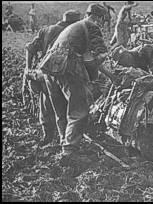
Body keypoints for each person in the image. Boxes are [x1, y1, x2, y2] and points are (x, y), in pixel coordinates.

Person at [37, 3, 113, 160]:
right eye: (103, 20)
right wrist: (104, 76)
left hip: (49, 68)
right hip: (68, 68)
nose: (102, 23)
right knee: (78, 110)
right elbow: (96, 57)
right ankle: (69, 151)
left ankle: (63, 141)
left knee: (61, 109)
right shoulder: (92, 26)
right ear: (99, 18)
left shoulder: (74, 26)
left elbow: (85, 56)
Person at [24, 10, 81, 148]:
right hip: (61, 76)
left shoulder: (46, 30)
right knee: (63, 108)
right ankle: (64, 140)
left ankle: (48, 136)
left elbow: (30, 48)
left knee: (45, 104)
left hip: (44, 73)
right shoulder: (71, 33)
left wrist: (27, 68)